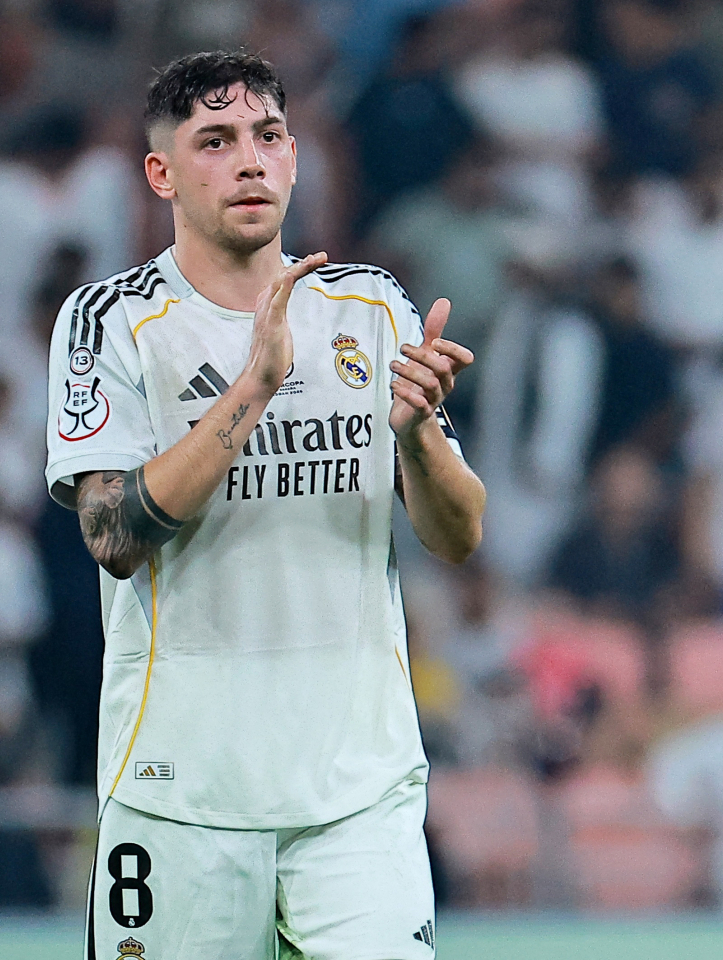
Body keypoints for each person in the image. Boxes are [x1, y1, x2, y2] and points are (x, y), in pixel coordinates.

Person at [44, 52, 485, 959]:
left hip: (357, 795)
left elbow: (460, 534)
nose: (250, 161)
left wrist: (415, 438)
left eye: (268, 136)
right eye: (215, 141)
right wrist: (253, 388)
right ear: (162, 174)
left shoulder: (372, 309)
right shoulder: (111, 321)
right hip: (179, 796)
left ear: (293, 156)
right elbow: (113, 534)